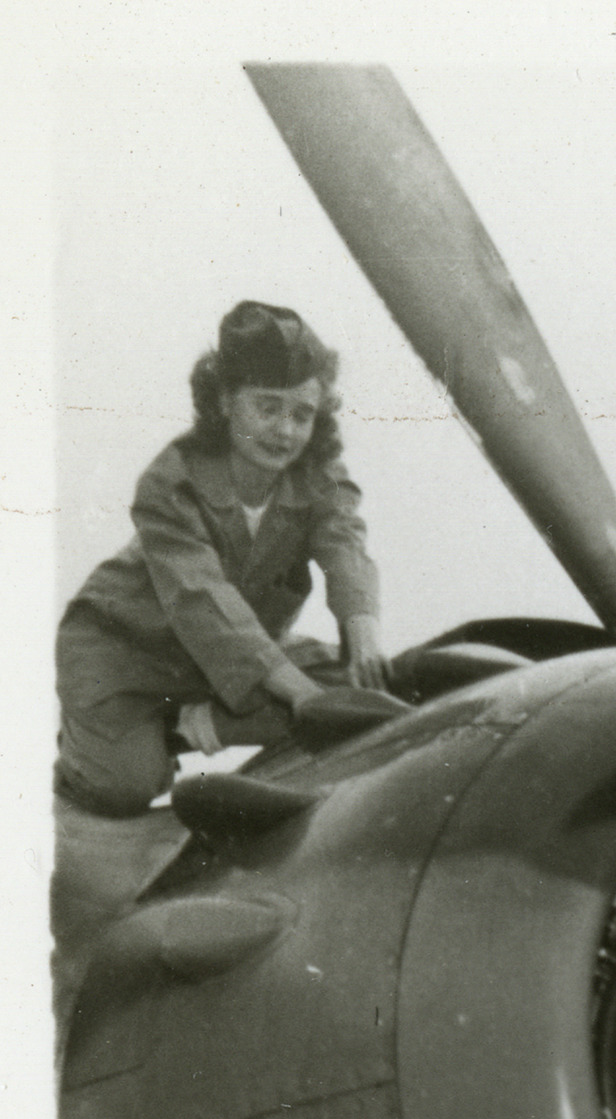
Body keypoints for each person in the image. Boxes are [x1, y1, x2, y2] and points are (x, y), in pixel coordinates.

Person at [58, 301, 387, 816]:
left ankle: (196, 723)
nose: (285, 430)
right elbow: (201, 600)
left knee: (374, 701)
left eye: (302, 414)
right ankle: (108, 736)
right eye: (268, 407)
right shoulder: (169, 483)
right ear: (226, 400)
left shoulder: (317, 471)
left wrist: (362, 628)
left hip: (233, 664)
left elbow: (343, 539)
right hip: (127, 656)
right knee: (121, 789)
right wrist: (301, 693)